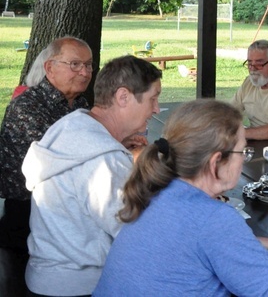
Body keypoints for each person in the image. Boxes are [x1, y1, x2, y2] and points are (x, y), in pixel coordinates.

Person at [94, 99, 268, 296]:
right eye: (243, 152)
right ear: (217, 161)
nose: (244, 159)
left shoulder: (156, 191)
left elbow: (199, 248)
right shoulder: (214, 218)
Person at [21, 55, 162, 296]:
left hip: (45, 276)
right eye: (153, 98)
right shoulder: (103, 161)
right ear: (123, 97)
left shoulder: (72, 125)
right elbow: (135, 234)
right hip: (79, 286)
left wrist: (118, 144)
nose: (157, 109)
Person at [0, 37, 93, 267]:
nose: (85, 72)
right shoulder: (27, 106)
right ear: (50, 68)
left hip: (66, 214)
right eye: (75, 64)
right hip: (26, 220)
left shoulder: (79, 104)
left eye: (89, 65)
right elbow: (64, 159)